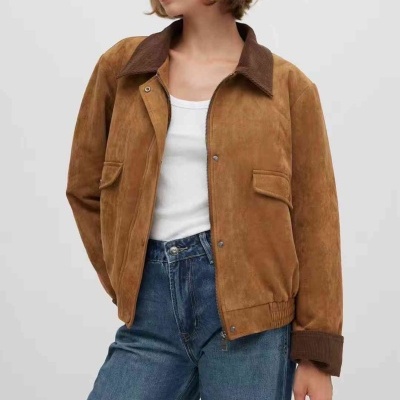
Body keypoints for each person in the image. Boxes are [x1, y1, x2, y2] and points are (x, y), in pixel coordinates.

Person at [66, 0, 344, 399]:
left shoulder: (286, 87)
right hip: (150, 313)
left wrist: (316, 356)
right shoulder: (124, 68)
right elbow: (84, 186)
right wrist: (125, 277)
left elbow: (317, 224)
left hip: (254, 322)